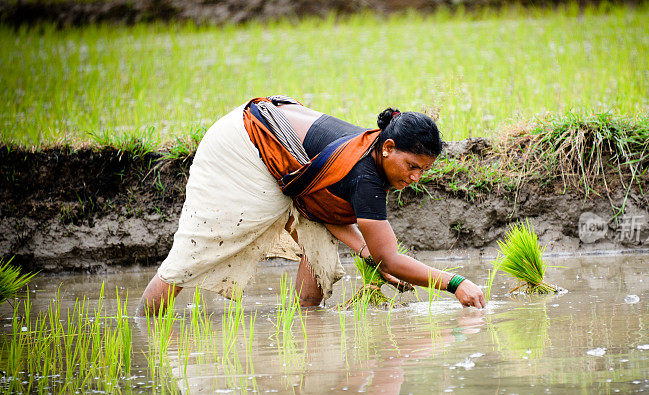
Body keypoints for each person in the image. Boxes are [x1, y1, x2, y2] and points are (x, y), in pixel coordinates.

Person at [137, 96, 486, 315]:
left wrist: (365, 251)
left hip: (274, 143)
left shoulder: (371, 152)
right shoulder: (366, 177)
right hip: (243, 145)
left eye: (423, 171)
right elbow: (388, 257)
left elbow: (319, 202)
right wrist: (455, 283)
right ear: (389, 147)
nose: (415, 179)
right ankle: (143, 327)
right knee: (195, 252)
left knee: (318, 251)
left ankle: (307, 324)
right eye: (412, 167)